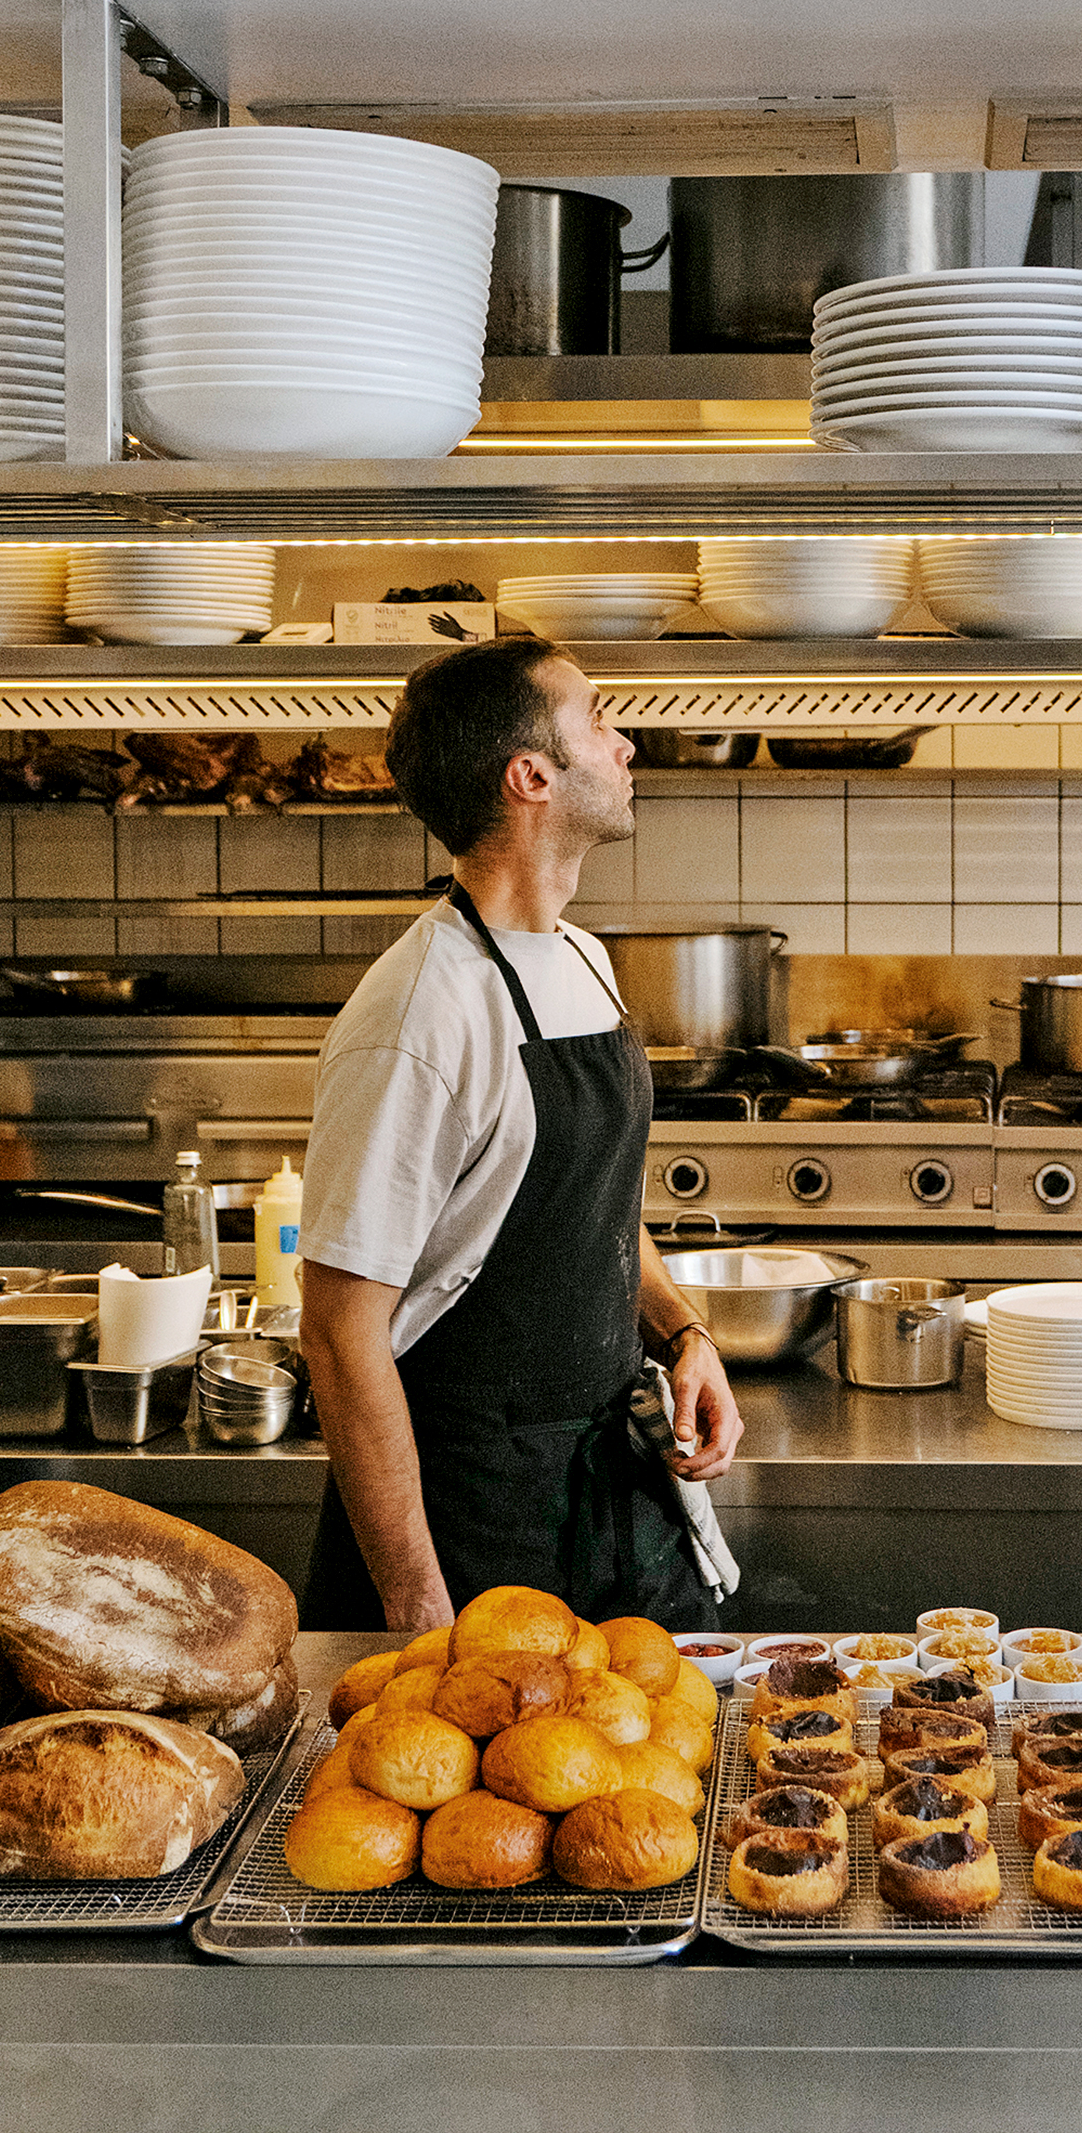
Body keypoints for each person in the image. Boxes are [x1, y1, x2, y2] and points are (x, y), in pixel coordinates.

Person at [297, 636, 743, 1636]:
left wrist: (683, 1335)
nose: (628, 746)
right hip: (473, 1525)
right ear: (531, 775)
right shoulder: (418, 1013)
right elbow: (337, 1330)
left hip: (609, 1492)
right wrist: (416, 1602)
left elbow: (600, 1214)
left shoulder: (581, 958)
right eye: (599, 720)